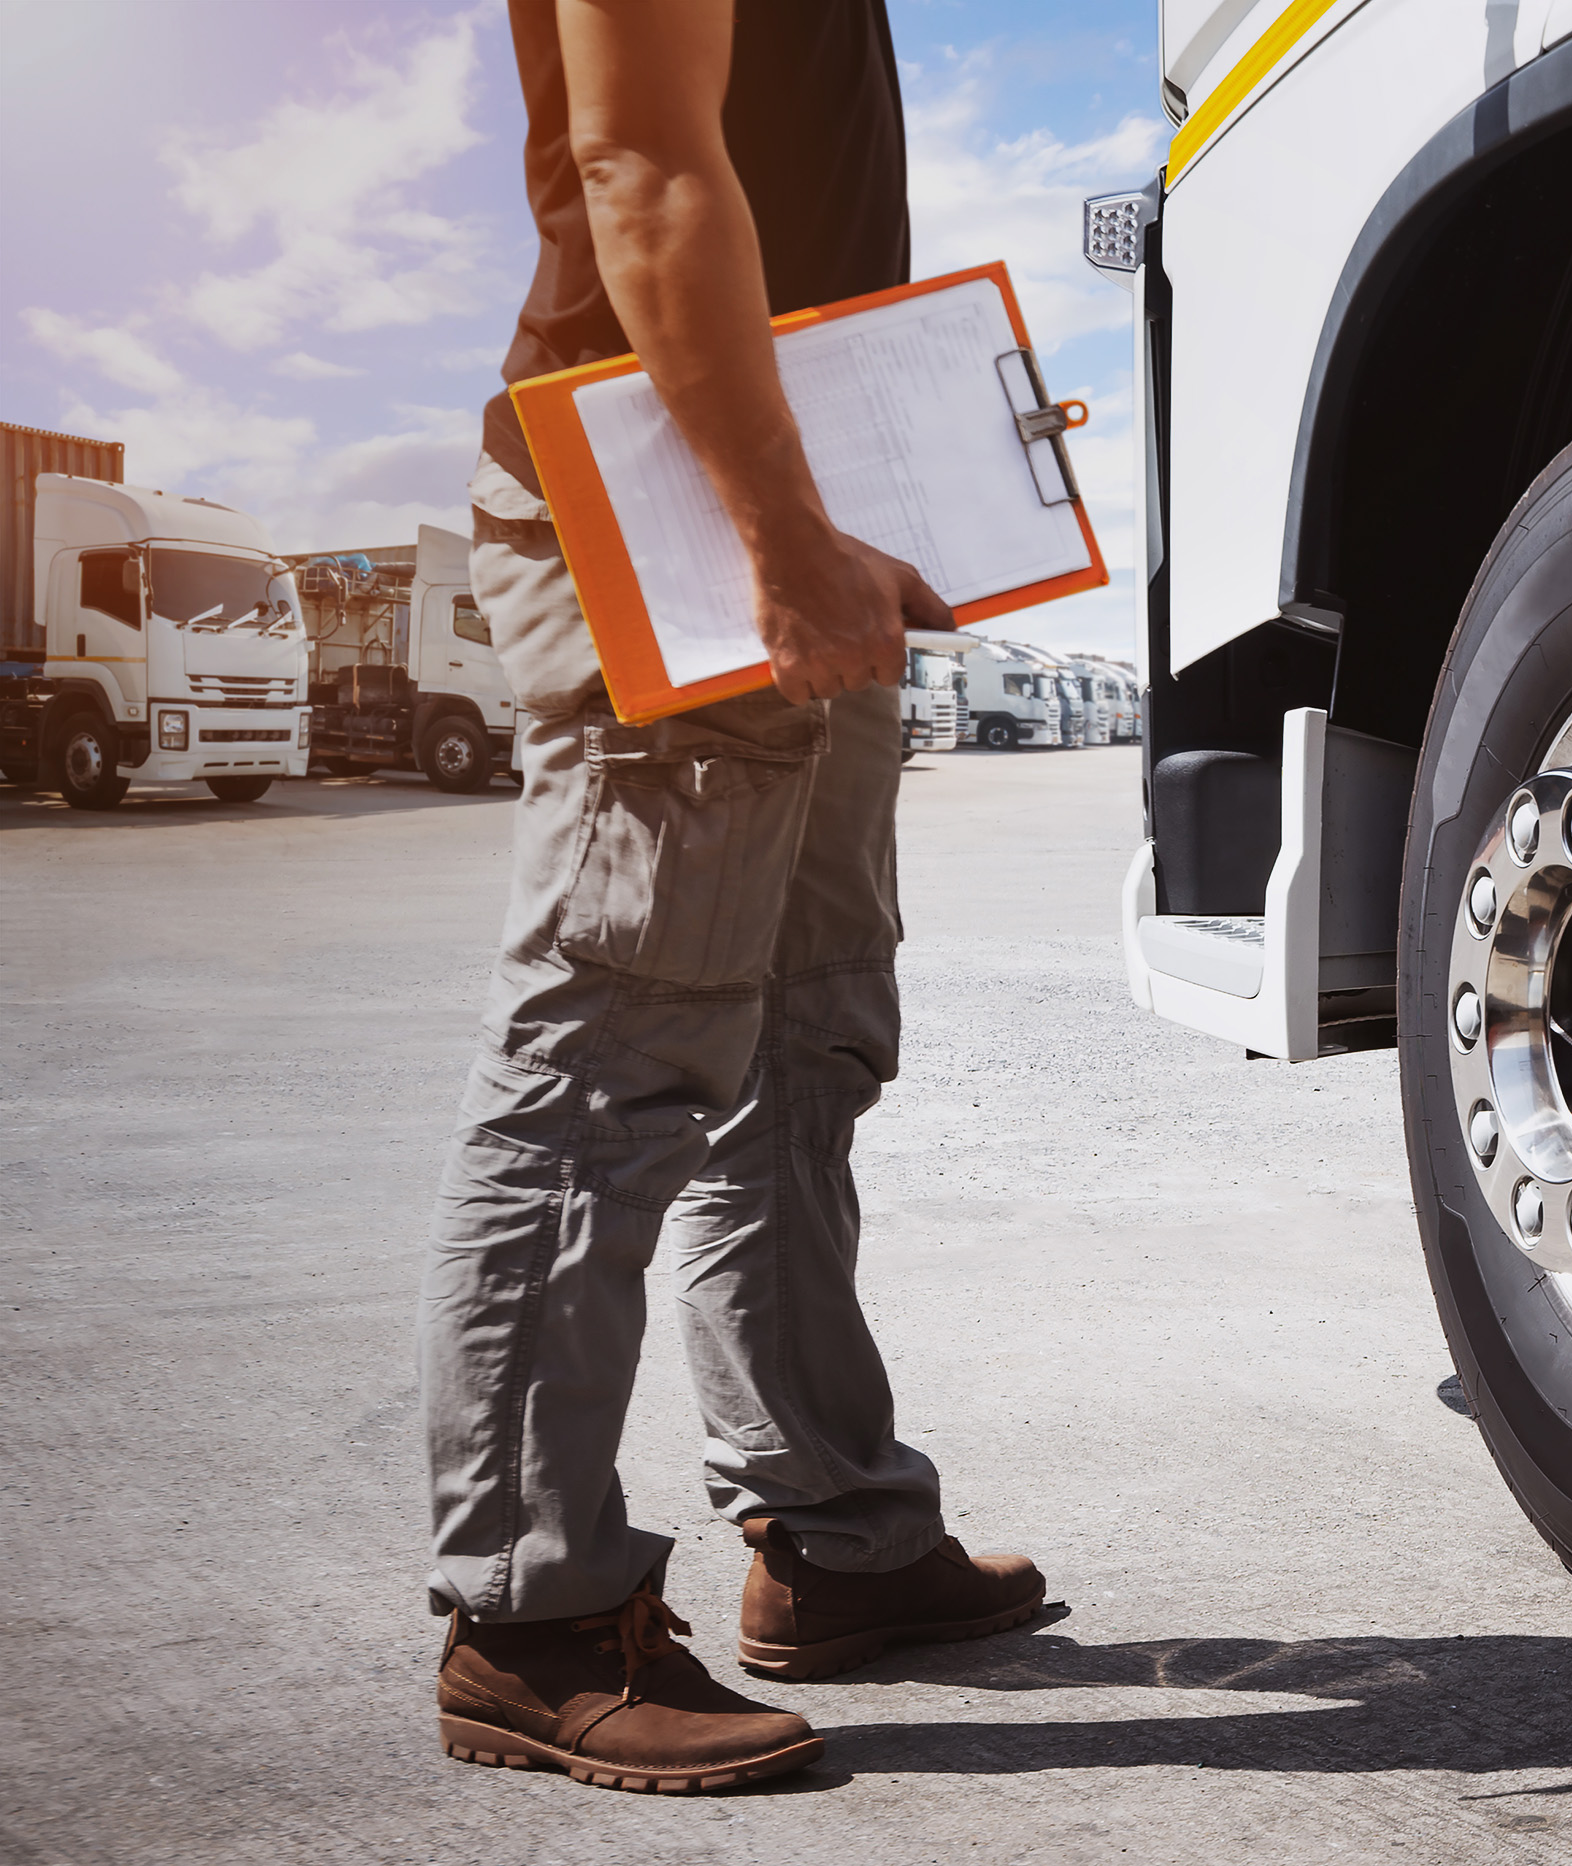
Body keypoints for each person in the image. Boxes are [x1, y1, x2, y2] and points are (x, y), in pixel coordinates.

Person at [418, 0, 1041, 1794]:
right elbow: (643, 161)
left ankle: (833, 1535)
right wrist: (774, 537)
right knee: (607, 1060)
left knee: (804, 1042)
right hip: (670, 498)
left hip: (801, 490)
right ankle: (529, 1621)